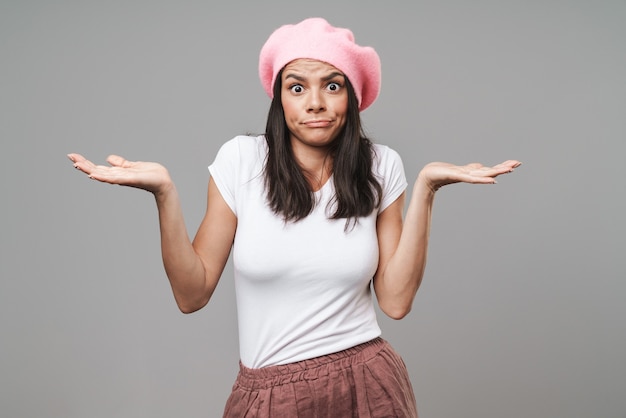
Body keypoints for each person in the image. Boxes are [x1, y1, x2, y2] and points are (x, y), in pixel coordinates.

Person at [68, 17, 520, 418]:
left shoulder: (381, 166)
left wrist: (426, 189)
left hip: (367, 384)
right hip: (269, 395)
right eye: (297, 87)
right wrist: (165, 194)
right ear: (279, 98)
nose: (315, 103)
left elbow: (396, 302)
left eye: (333, 85)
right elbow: (192, 293)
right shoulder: (242, 161)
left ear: (352, 97)